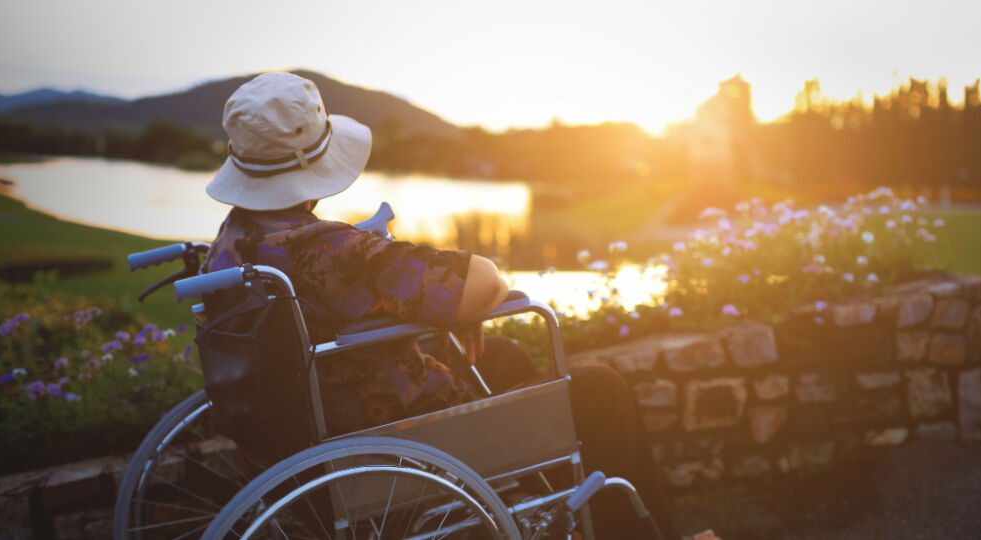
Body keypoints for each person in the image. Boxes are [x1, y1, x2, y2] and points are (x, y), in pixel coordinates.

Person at [202, 72, 676, 539]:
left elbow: (341, 304)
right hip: (396, 440)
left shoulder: (233, 244)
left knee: (502, 355)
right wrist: (463, 306)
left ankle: (534, 507)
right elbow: (482, 279)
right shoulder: (326, 251)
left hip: (313, 436)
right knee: (601, 390)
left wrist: (449, 309)